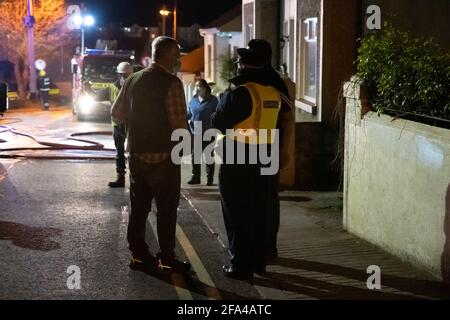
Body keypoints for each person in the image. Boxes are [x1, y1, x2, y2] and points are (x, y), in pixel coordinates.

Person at [211, 43, 293, 279]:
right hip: (265, 155)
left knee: (236, 211)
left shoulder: (238, 91)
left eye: (238, 63)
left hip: (238, 156)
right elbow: (284, 119)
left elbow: (218, 122)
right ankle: (259, 260)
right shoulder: (273, 90)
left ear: (243, 65)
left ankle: (240, 264)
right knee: (260, 209)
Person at [111, 36, 190, 274]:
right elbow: (178, 124)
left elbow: (116, 114)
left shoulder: (132, 79)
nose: (178, 58)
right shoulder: (171, 83)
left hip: (136, 154)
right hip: (164, 156)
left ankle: (138, 255)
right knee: (166, 210)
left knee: (139, 208)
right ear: (165, 54)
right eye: (176, 53)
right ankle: (166, 259)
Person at [247, 39, 294, 263]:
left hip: (268, 149)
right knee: (255, 199)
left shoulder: (274, 83)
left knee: (265, 199)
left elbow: (288, 118)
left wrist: (284, 150)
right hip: (248, 150)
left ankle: (267, 248)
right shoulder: (249, 79)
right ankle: (257, 247)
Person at [187, 79, 218, 186]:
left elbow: (217, 114)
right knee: (195, 156)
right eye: (196, 86)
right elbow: (189, 113)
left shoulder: (213, 100)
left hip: (209, 131)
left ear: (205, 88)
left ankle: (210, 178)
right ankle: (195, 177)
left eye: (199, 86)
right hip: (196, 132)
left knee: (208, 155)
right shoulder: (193, 100)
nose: (197, 88)